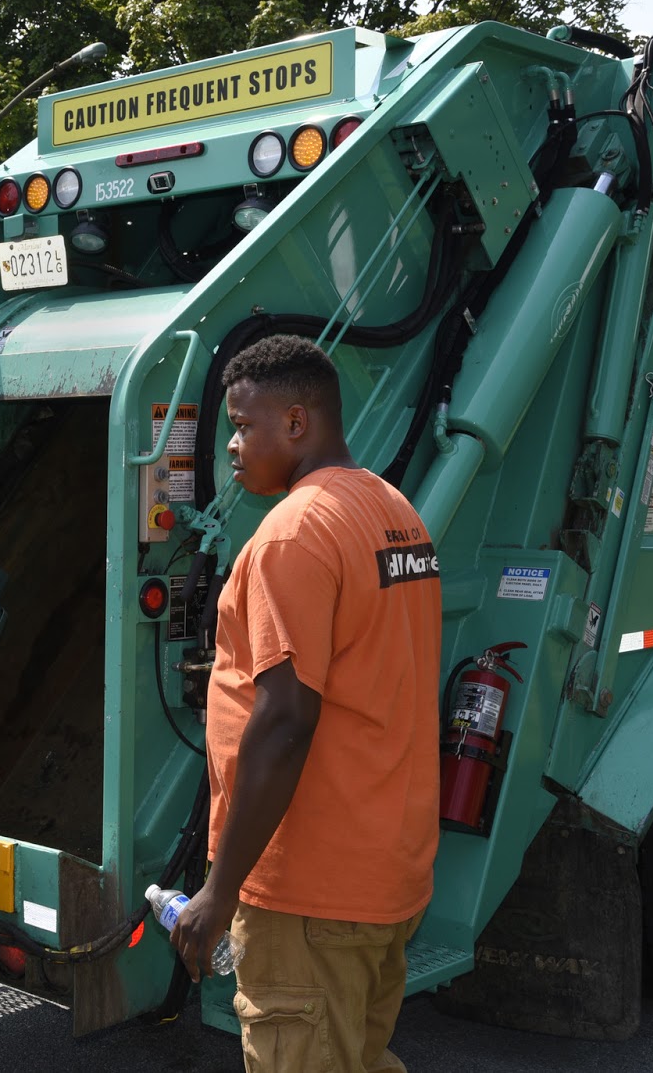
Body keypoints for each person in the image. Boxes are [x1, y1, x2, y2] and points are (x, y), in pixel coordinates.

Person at [169, 335, 442, 1072]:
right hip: (383, 876)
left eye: (242, 424)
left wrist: (219, 892)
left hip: (310, 892)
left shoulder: (294, 533)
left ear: (297, 422)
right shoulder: (396, 513)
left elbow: (287, 721)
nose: (231, 445)